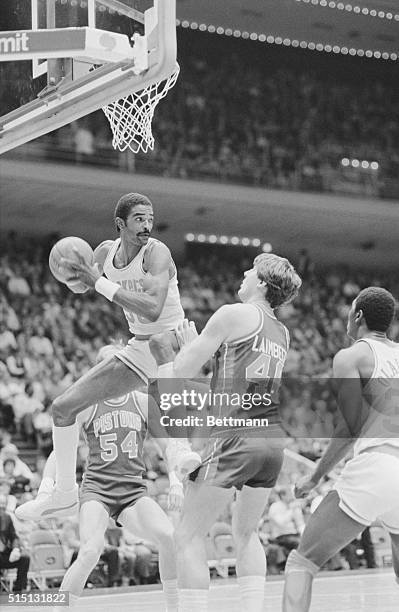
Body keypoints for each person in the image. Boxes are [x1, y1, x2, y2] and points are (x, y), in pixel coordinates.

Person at [25, 193, 200, 518]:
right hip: (140, 346)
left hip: (178, 340)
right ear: (120, 223)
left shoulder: (156, 253)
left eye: (150, 218)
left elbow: (152, 310)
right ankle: (63, 492)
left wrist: (99, 282)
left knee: (159, 341)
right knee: (62, 408)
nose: (147, 225)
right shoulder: (106, 252)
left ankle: (179, 445)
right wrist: (67, 269)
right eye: (139, 219)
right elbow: (82, 286)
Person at [150, 253, 302, 612]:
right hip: (271, 440)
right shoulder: (283, 332)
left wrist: (193, 343)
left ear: (262, 282)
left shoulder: (232, 314)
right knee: (246, 534)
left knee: (187, 535)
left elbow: (183, 369)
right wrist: (213, 351)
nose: (244, 273)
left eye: (250, 270)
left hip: (234, 435)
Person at [17, 346, 183, 610]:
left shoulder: (142, 402)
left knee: (169, 536)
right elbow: (58, 453)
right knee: (90, 552)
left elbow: (169, 446)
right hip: (98, 490)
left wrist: (175, 482)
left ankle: (174, 607)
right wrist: (46, 487)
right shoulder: (87, 406)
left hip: (133, 491)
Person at [282, 286, 399, 612]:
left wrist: (315, 478)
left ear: (357, 315)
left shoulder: (352, 356)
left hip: (378, 465)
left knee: (302, 561)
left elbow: (349, 427)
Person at [0, 493, 30, 592]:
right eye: (0, 503)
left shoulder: (7, 517)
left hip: (3, 554)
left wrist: (16, 549)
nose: (2, 505)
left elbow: (14, 536)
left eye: (4, 503)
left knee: (25, 558)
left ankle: (18, 590)